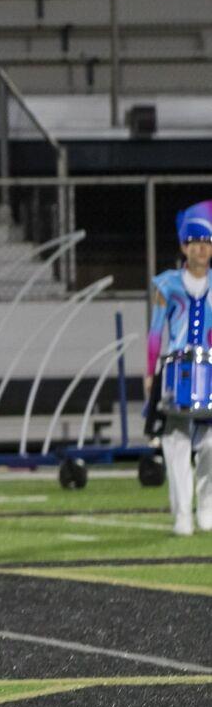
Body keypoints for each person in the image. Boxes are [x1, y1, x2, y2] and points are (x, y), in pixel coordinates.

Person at [146, 200, 212, 536]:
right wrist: (149, 371)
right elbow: (155, 330)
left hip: (210, 371)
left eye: (208, 242)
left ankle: (206, 504)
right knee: (175, 441)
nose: (202, 248)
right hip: (175, 370)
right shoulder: (166, 284)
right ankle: (182, 513)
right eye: (196, 242)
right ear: (184, 246)